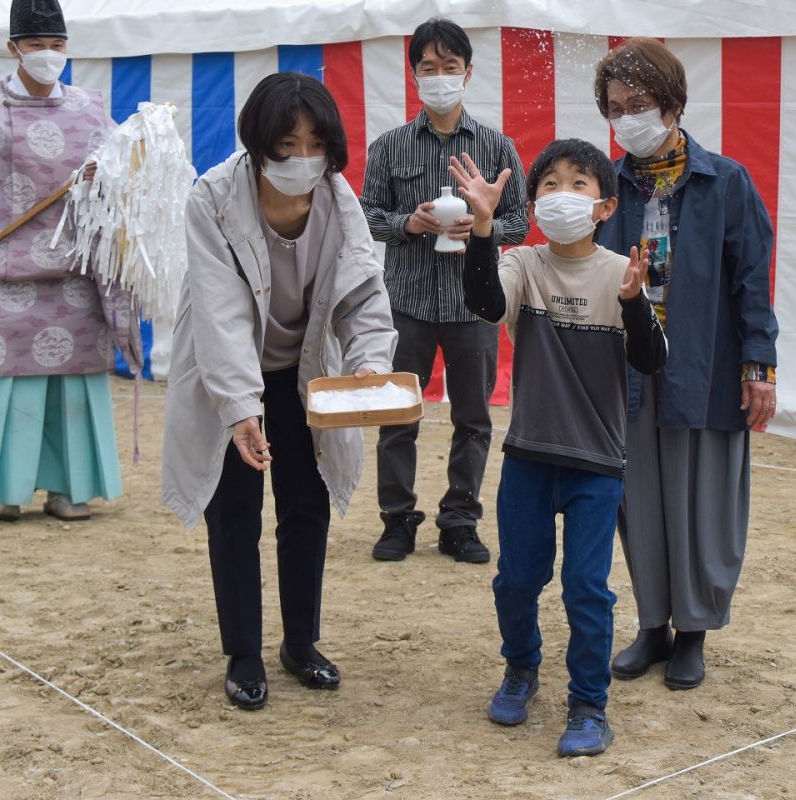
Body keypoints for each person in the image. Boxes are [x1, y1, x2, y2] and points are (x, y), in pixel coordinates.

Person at [160, 73, 397, 711]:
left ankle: (300, 643)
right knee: (234, 509)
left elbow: (362, 292)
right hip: (227, 369)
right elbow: (221, 314)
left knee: (306, 504)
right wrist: (240, 408)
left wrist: (372, 364)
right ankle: (243, 653)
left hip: (305, 372)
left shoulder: (338, 201)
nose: (301, 160)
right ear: (258, 143)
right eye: (285, 145)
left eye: (314, 145)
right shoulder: (213, 198)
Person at [451, 139, 667, 756]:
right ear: (532, 201)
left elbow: (652, 361)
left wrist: (633, 305)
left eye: (578, 184)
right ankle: (520, 668)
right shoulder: (523, 264)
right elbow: (486, 303)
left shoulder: (619, 272)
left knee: (585, 588)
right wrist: (484, 230)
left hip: (597, 465)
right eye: (549, 183)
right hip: (528, 456)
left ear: (603, 207)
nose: (562, 194)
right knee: (516, 580)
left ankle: (589, 706)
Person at [595, 39, 779, 691]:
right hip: (630, 373)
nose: (626, 118)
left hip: (705, 367)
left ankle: (694, 630)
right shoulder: (607, 187)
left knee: (702, 504)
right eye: (615, 108)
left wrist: (759, 366)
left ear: (672, 104)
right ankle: (653, 625)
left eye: (639, 104)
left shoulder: (724, 180)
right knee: (638, 501)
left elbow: (753, 277)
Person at [0, 0, 140, 523]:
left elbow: (122, 184)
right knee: (15, 387)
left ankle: (71, 490)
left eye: (57, 45)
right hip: (10, 273)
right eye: (37, 45)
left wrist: (105, 184)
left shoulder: (91, 111)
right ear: (13, 49)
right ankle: (9, 489)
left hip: (77, 276)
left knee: (76, 390)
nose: (48, 54)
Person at [360, 17, 529, 564]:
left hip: (472, 304)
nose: (439, 78)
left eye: (449, 68)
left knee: (473, 418)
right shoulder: (387, 148)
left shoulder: (495, 146)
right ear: (413, 77)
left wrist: (481, 228)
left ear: (468, 73)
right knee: (397, 415)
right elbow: (365, 216)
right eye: (428, 69)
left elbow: (520, 223)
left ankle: (460, 520)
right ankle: (398, 519)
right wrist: (408, 224)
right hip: (405, 302)